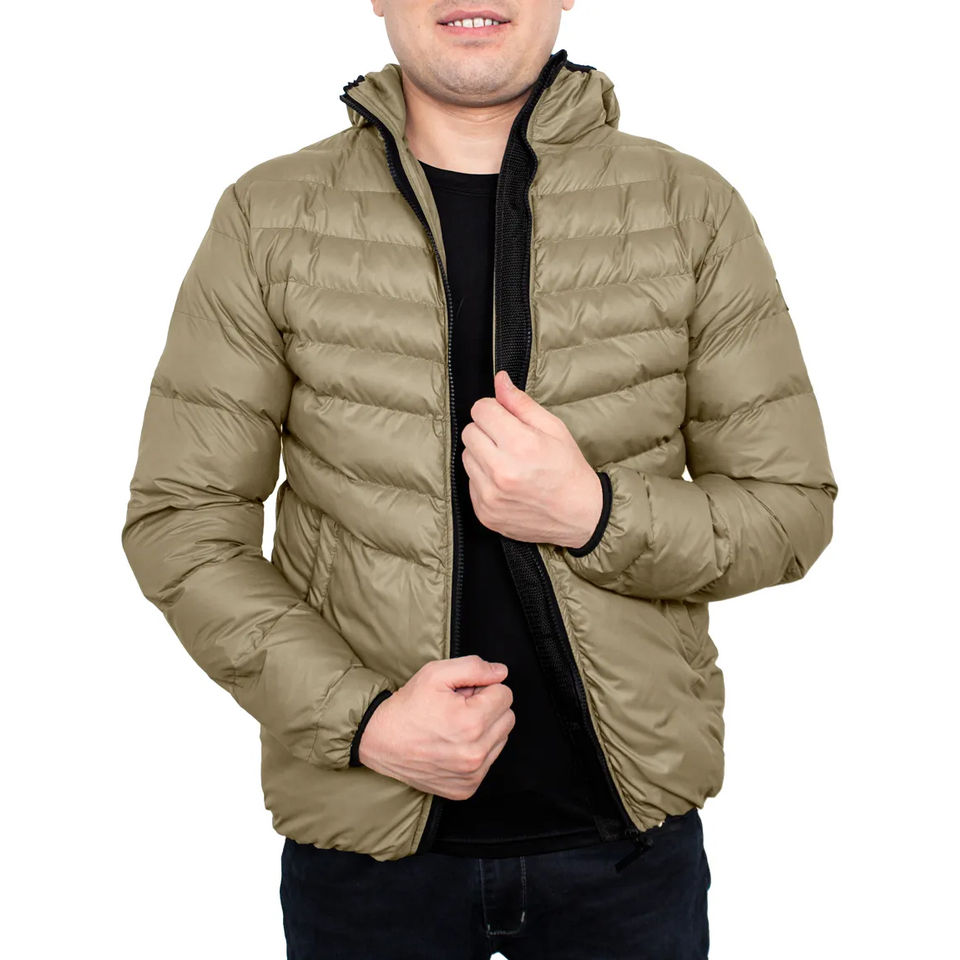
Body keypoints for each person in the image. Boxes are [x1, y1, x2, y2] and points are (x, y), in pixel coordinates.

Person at [121, 1, 838, 957]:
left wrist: (595, 513)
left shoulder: (689, 208)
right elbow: (182, 522)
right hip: (364, 854)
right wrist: (362, 722)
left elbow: (788, 511)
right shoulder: (269, 216)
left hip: (629, 857)